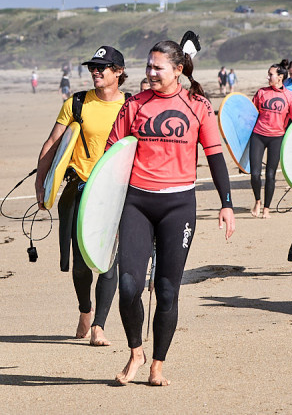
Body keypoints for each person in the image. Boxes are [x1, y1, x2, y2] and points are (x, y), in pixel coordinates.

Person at [108, 40, 235, 386]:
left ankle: (158, 365)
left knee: (166, 290)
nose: (150, 73)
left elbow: (214, 156)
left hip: (178, 205)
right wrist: (103, 210)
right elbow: (112, 158)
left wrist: (226, 203)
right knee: (129, 286)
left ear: (178, 70)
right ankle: (136, 351)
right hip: (136, 202)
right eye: (148, 66)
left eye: (157, 67)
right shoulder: (133, 105)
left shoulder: (198, 106)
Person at [35, 45, 127, 347]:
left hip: (115, 192)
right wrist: (42, 185)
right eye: (93, 67)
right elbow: (53, 143)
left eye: (103, 67)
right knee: (80, 262)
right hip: (79, 188)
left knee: (108, 260)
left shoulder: (131, 105)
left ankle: (99, 325)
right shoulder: (76, 103)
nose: (96, 72)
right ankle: (85, 310)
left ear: (119, 72)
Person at [250, 61, 292, 218]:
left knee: (270, 175)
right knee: (255, 174)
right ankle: (258, 201)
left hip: (277, 138)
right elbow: (250, 114)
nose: (268, 77)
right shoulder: (261, 93)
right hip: (258, 135)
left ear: (280, 77)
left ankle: (267, 208)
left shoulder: (289, 96)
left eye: (271, 74)